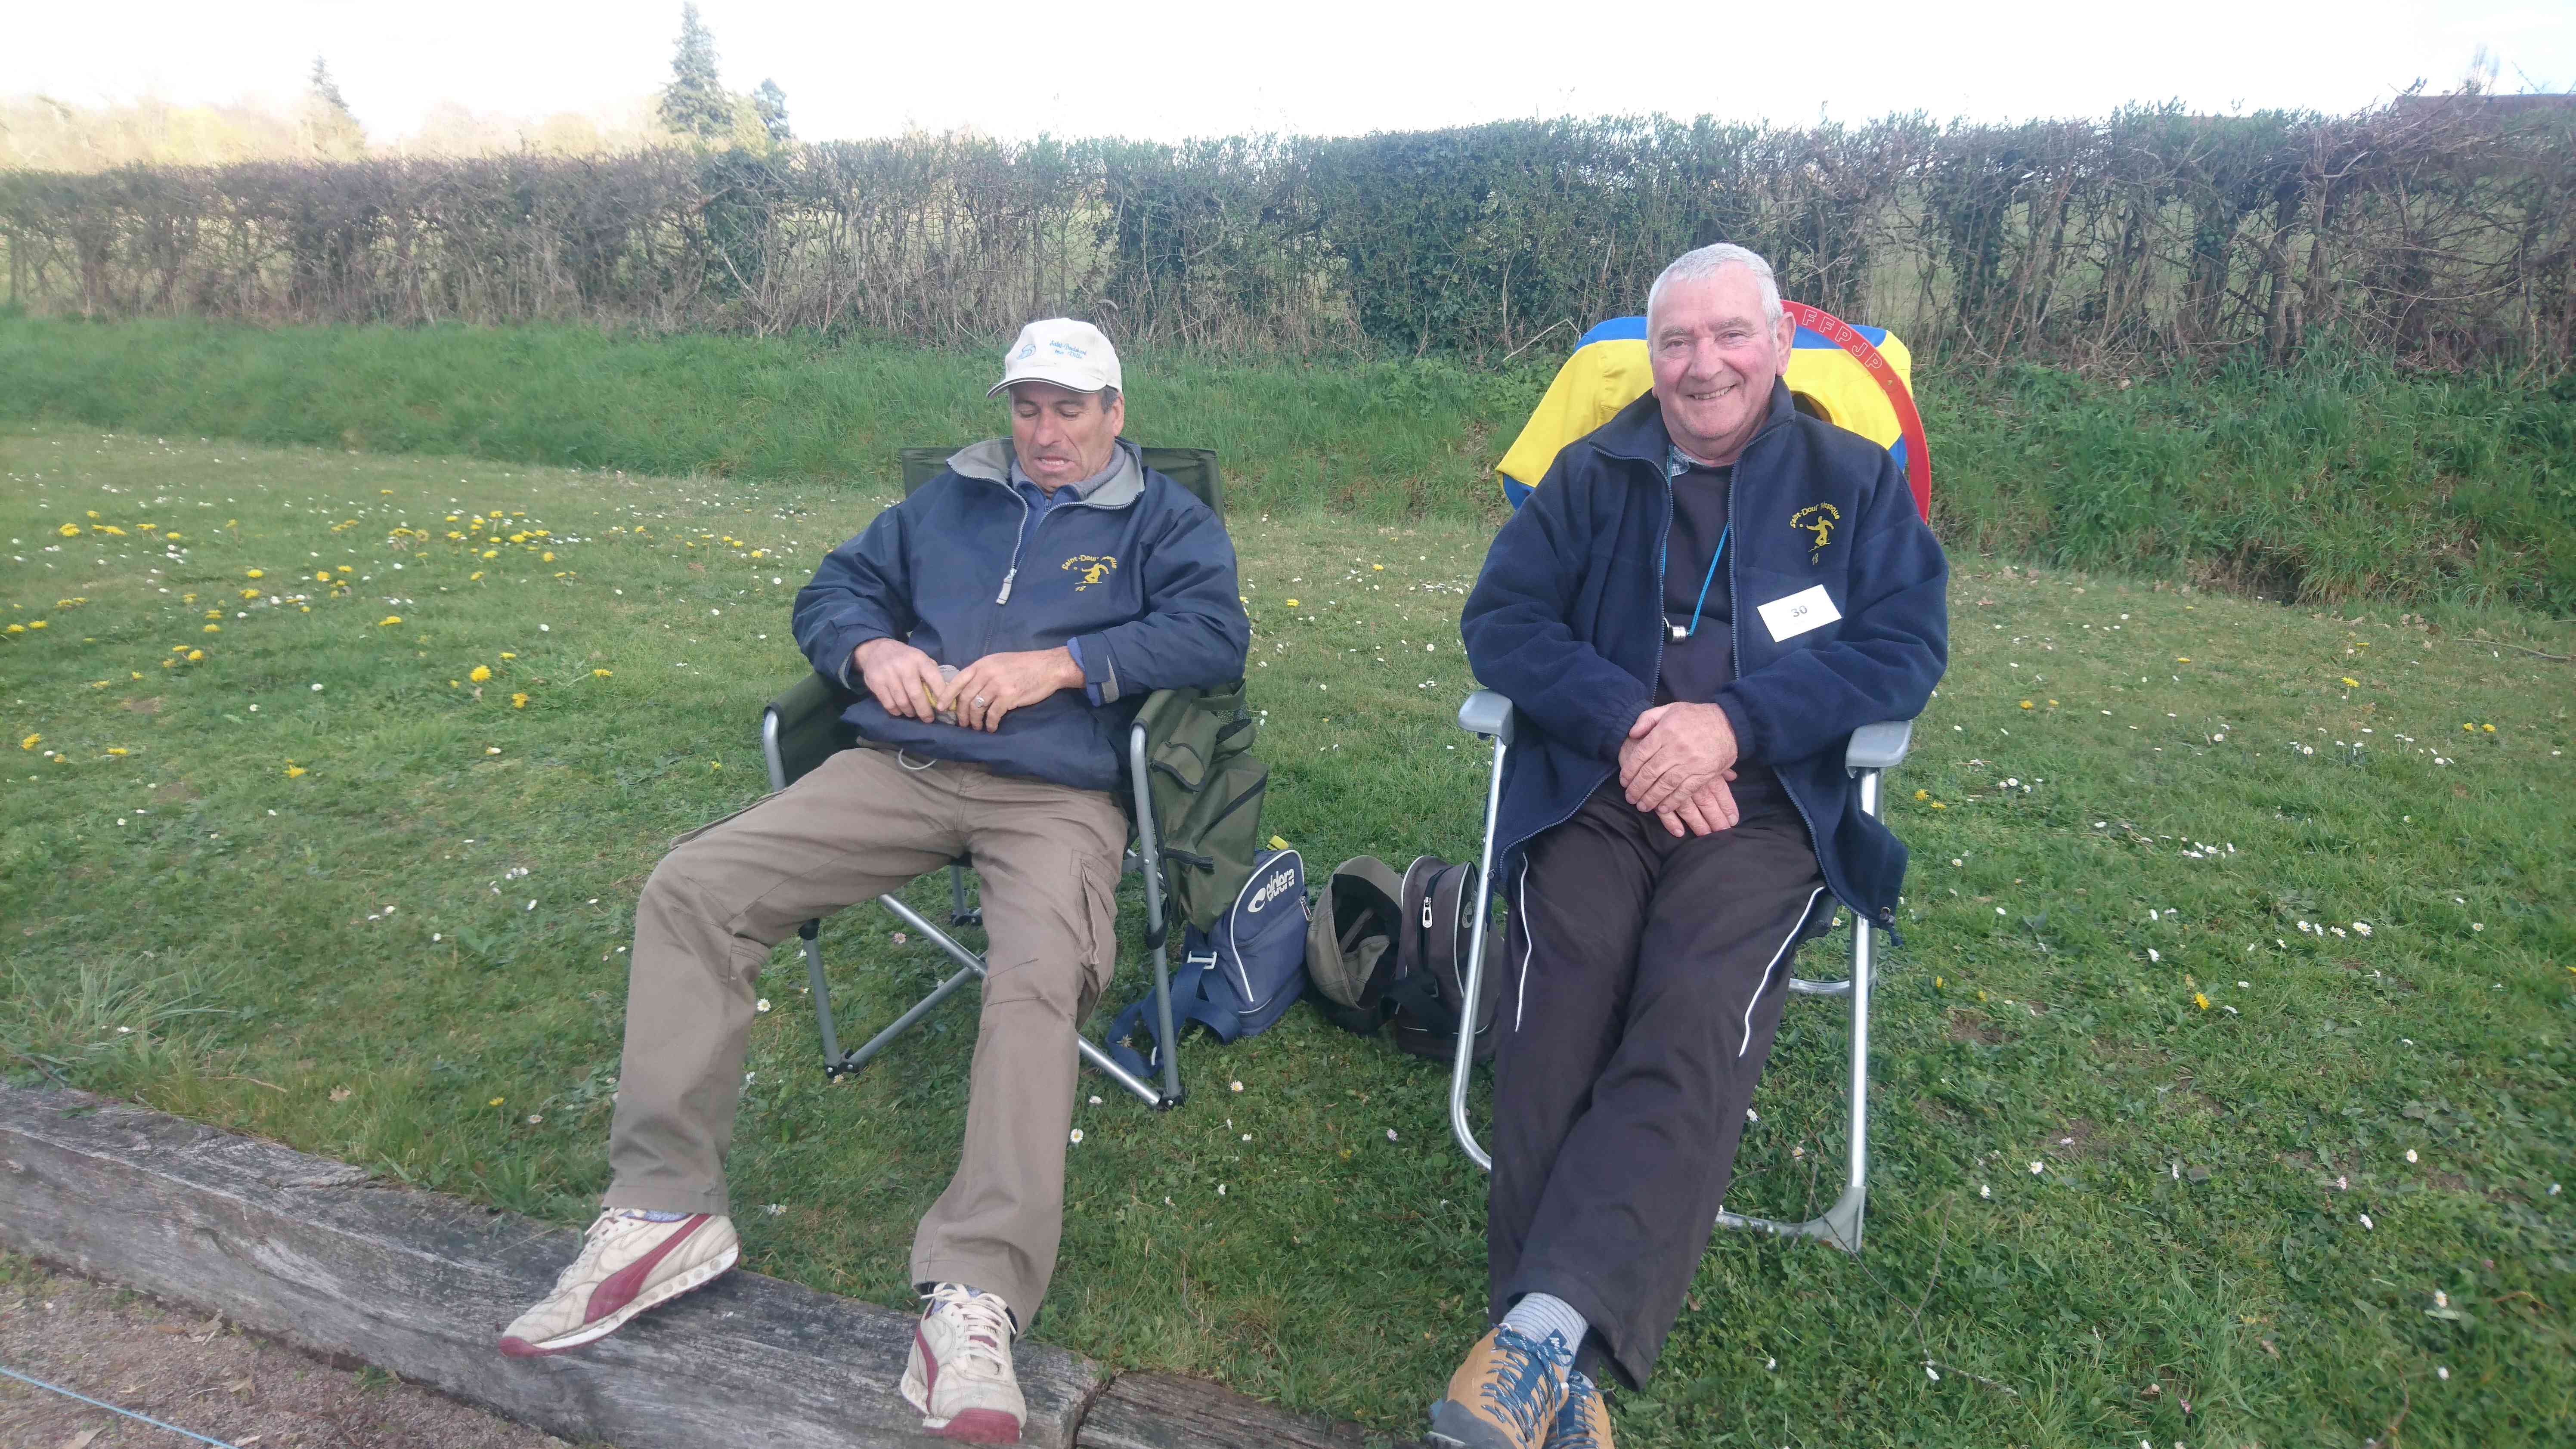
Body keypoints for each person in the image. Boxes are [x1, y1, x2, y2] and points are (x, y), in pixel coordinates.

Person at [499, 318, 1249, 1445]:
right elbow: (831, 591)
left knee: (1039, 972)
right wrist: (871, 651)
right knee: (694, 888)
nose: (1046, 432)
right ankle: (664, 1210)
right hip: (900, 768)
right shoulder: (947, 501)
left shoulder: (1167, 520)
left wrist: (1064, 665)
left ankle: (976, 1294)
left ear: (1115, 412)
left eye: (1070, 409)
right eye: (1028, 408)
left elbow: (1214, 639)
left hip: (1055, 795)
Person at [1435, 245, 1947, 1449]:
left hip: (1762, 800)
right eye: (1676, 341)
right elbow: (1502, 622)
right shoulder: (1591, 471)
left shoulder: (1852, 480)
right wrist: (1632, 725)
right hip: (1606, 781)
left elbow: (1903, 649)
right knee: (1562, 984)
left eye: (1729, 335)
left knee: (1698, 995)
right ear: (1652, 356)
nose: (1701, 364)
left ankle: (1536, 1333)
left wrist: (1732, 726)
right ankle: (1561, 1364)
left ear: (1779, 343)